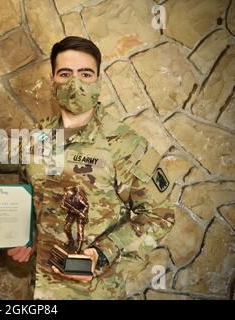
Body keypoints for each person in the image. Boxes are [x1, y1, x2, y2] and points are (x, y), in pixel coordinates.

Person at [20, 36, 175, 299]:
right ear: (52, 81)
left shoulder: (125, 144)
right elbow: (31, 193)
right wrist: (23, 234)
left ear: (98, 81)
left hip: (93, 291)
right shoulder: (39, 134)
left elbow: (159, 216)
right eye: (65, 73)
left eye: (85, 74)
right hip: (39, 288)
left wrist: (102, 253)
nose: (75, 83)